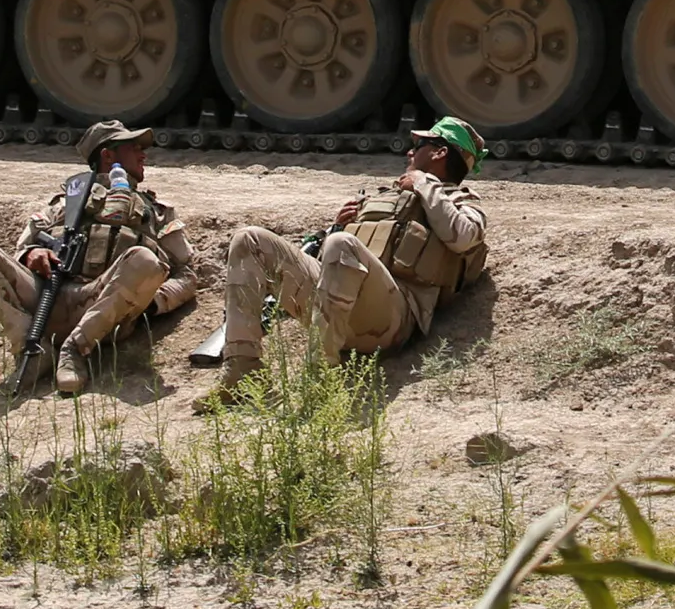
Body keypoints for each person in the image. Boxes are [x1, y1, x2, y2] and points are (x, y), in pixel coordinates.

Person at [200, 117, 488, 411]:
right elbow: (327, 263)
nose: (410, 152)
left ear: (440, 152)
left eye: (420, 145)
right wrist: (337, 227)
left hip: (392, 317)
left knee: (342, 245)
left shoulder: (460, 201)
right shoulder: (383, 197)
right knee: (249, 239)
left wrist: (424, 183)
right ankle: (243, 373)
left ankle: (319, 377)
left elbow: (464, 238)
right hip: (335, 307)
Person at [0, 121, 196, 396]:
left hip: (105, 306)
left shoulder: (156, 211)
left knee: (144, 259)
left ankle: (75, 350)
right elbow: (21, 248)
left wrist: (150, 301)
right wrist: (31, 254)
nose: (144, 155)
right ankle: (31, 349)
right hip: (47, 297)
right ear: (108, 156)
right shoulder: (65, 202)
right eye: (134, 148)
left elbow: (187, 274)